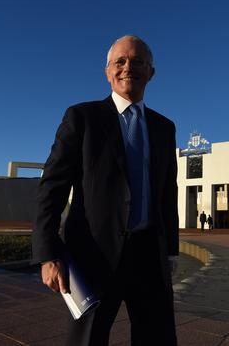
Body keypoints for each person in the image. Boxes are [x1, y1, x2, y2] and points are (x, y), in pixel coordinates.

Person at [31, 35, 178, 346]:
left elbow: (167, 193)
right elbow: (52, 187)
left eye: (138, 62)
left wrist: (171, 253)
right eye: (120, 62)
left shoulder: (165, 128)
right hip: (93, 257)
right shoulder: (82, 118)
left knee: (159, 339)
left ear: (151, 72)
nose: (128, 68)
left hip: (149, 257)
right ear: (107, 71)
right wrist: (47, 253)